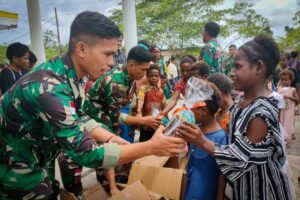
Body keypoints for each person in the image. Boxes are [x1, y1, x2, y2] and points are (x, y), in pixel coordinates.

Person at [0, 11, 186, 199]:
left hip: (36, 158)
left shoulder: (71, 73)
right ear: (81, 49)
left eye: (115, 54)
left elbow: (79, 115)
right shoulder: (49, 88)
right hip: (15, 169)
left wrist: (109, 139)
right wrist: (151, 147)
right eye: (107, 54)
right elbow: (85, 153)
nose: (112, 62)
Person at [177, 35, 292, 200]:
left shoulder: (261, 113)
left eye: (237, 67)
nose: (232, 73)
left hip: (262, 191)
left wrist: (201, 141)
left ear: (259, 68)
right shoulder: (240, 101)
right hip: (242, 188)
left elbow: (239, 158)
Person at [184, 80, 227, 200]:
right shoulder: (196, 130)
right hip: (190, 192)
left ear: (203, 110)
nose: (189, 111)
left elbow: (221, 178)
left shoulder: (221, 138)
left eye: (191, 107)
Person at [136, 64, 167, 142]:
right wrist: (139, 111)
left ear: (159, 76)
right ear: (147, 76)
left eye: (156, 76)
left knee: (157, 141)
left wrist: (167, 118)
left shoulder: (160, 91)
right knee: (145, 141)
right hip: (147, 122)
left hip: (157, 121)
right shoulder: (144, 88)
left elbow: (164, 105)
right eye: (151, 76)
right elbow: (140, 99)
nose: (154, 78)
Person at [277, 69, 298, 141]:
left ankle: (290, 134)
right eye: (282, 80)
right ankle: (283, 137)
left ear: (291, 80)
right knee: (281, 122)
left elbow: (297, 100)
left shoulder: (292, 89)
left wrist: (289, 97)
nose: (283, 81)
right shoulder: (279, 89)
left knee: (289, 122)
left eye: (286, 80)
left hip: (289, 110)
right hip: (281, 109)